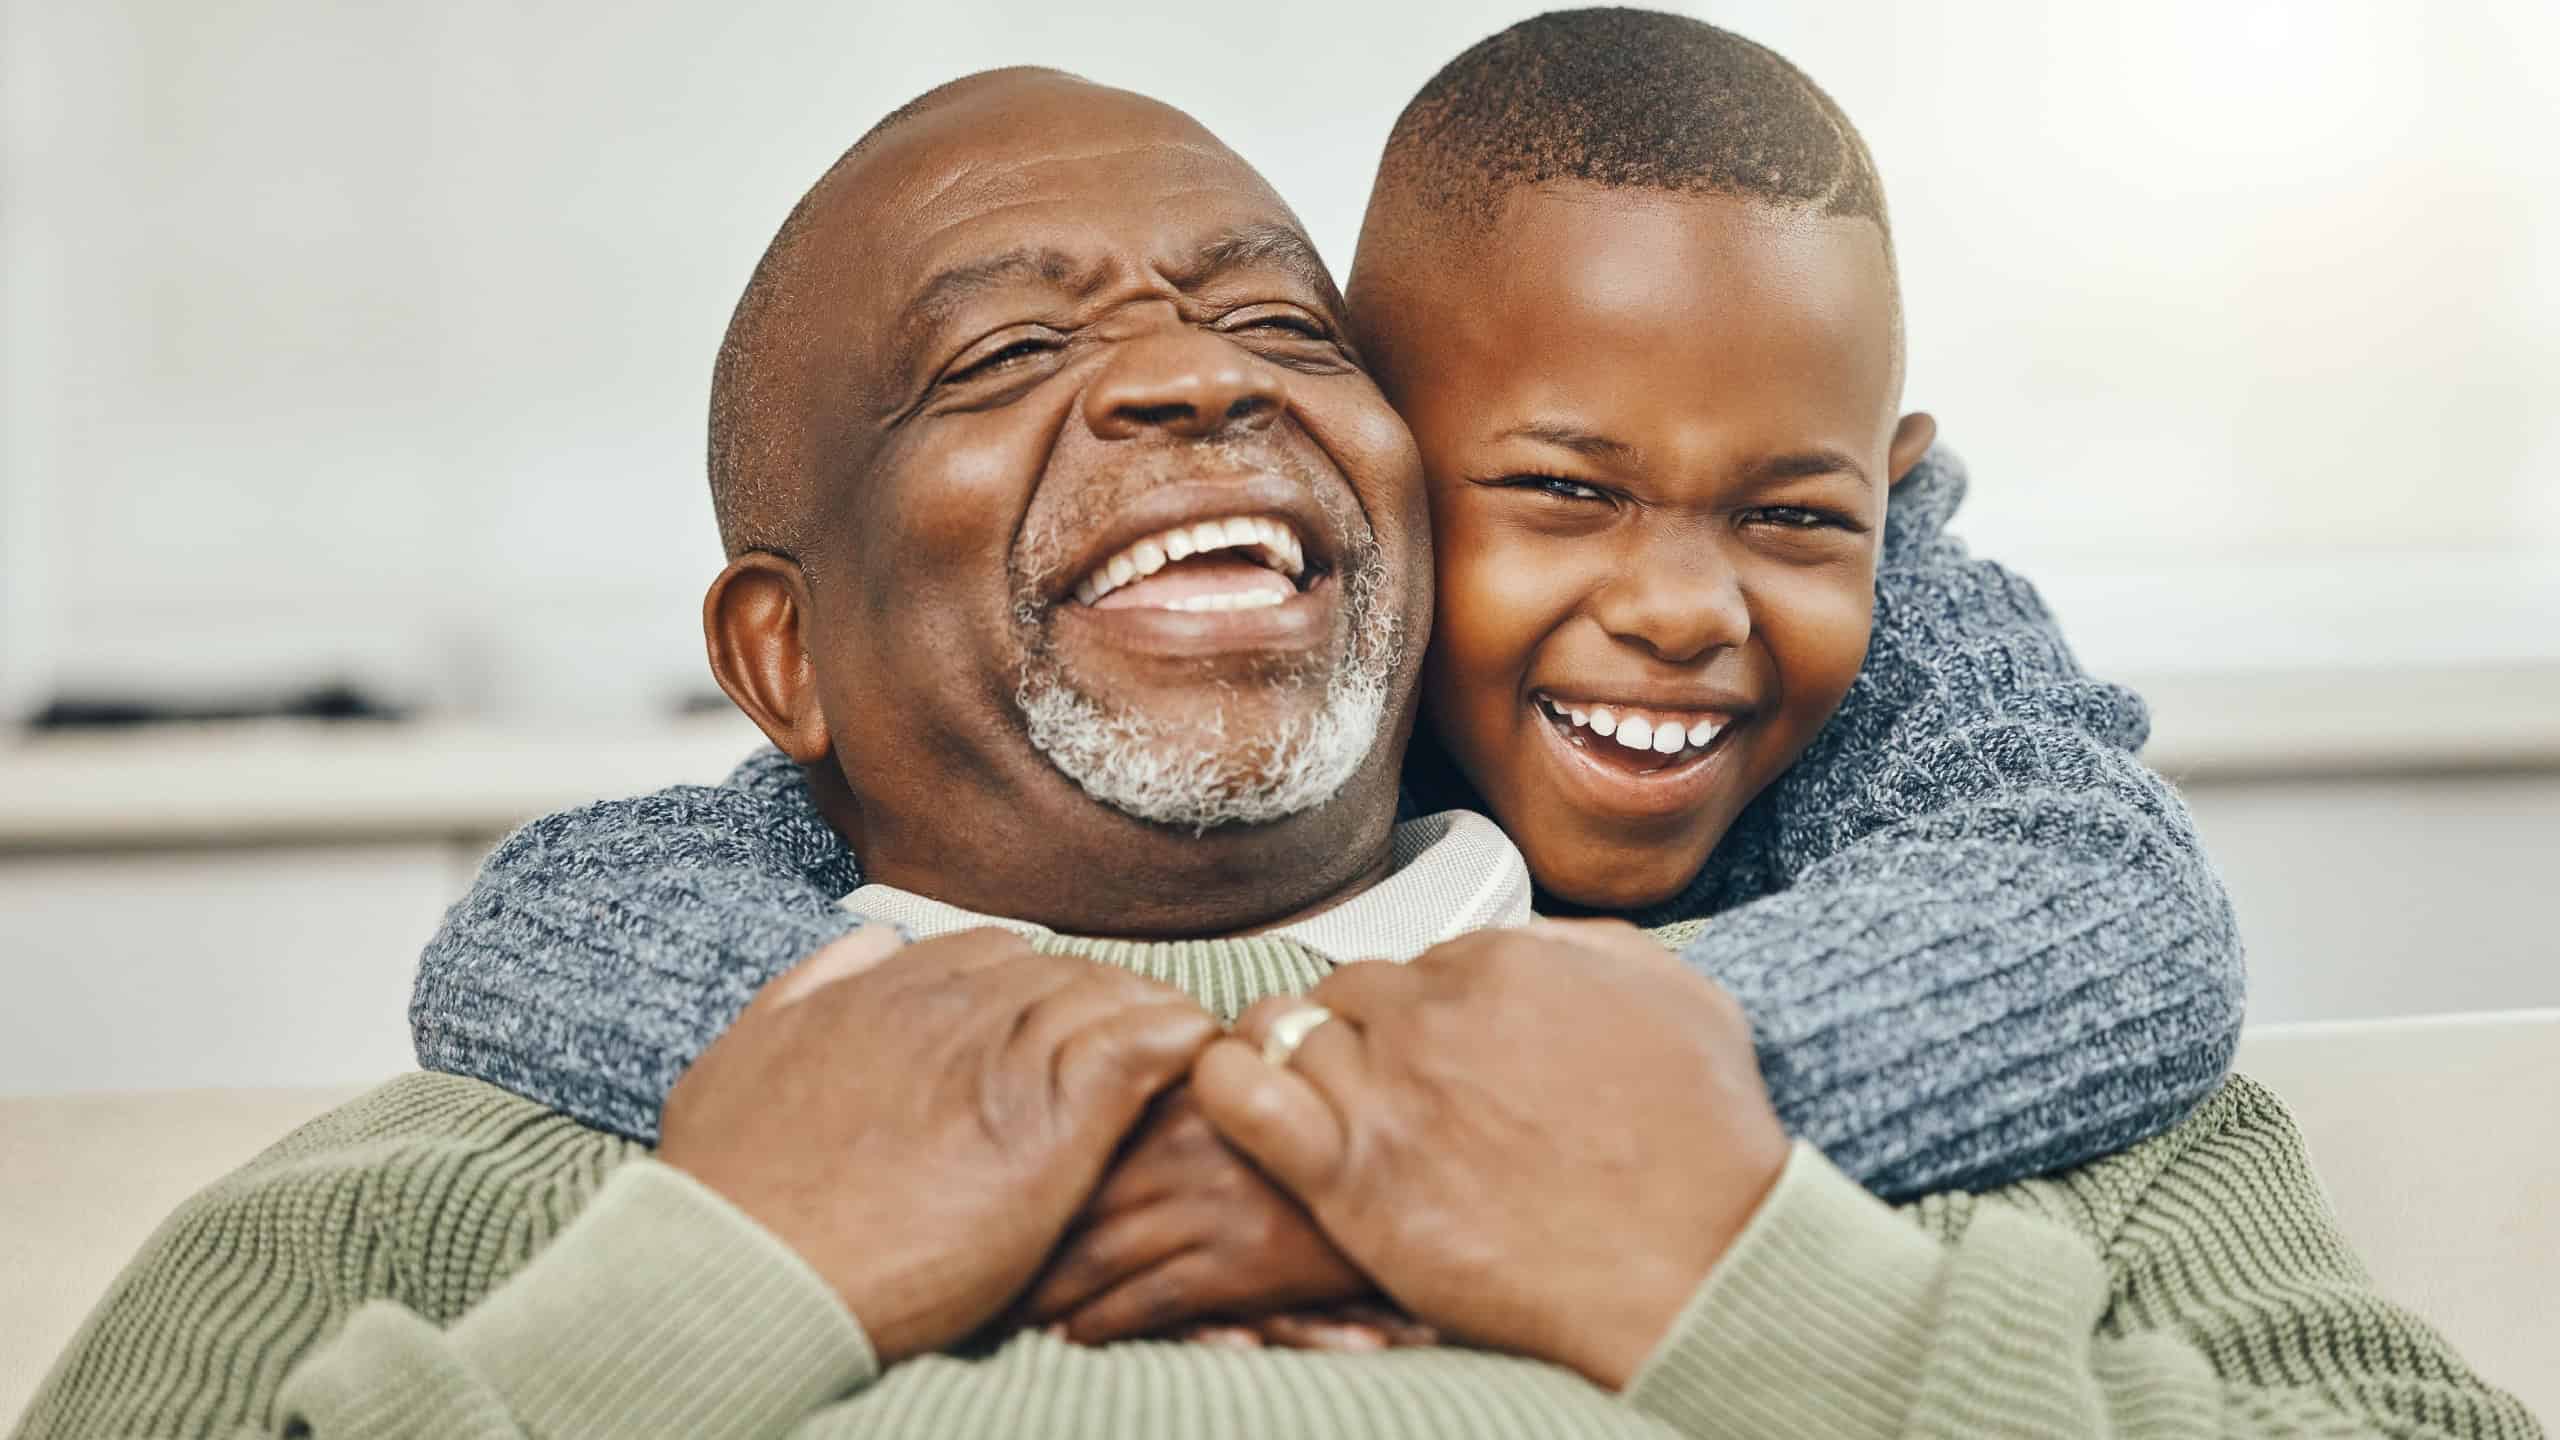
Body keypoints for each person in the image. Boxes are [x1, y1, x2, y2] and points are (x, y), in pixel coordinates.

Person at [21, 65, 2533, 1440]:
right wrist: (703, 1300)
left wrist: (1748, 1279)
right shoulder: (484, 1169)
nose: (1184, 380)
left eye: (1275, 328)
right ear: (780, 659)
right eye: (1009, 353)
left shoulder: (1972, 1068)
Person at [408, 14, 2244, 1261]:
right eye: (1563, 490)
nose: (1682, 607)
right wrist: (1012, 1130)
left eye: (1790, 518)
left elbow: (2101, 904)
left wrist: (1486, 1133)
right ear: (1406, 441)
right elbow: (564, 915)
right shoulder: (1209, 663)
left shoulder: (1870, 637)